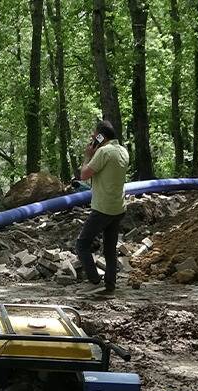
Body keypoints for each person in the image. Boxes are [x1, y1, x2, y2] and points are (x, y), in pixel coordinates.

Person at [76, 120, 130, 294]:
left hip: (103, 207)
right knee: (109, 248)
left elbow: (84, 175)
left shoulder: (104, 152)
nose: (93, 136)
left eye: (95, 134)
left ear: (101, 136)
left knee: (82, 243)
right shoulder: (123, 151)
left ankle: (94, 281)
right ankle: (110, 284)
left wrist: (88, 155)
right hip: (118, 207)